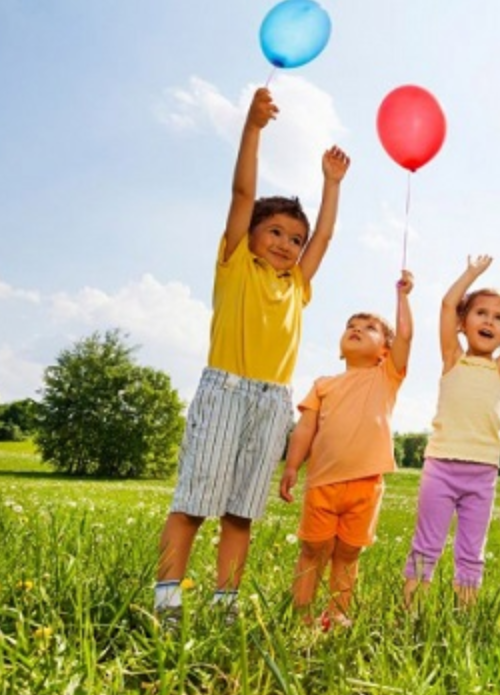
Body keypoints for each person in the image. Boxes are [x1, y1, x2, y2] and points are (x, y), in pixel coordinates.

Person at [154, 86, 351, 625]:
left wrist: (331, 184)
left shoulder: (297, 286)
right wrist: (253, 128)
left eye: (295, 239)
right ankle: (167, 602)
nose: (287, 244)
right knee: (193, 504)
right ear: (252, 235)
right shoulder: (236, 263)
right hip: (226, 390)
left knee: (240, 512)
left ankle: (225, 606)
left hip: (271, 403)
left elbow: (325, 236)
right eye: (276, 232)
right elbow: (242, 193)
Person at [402, 254, 500, 608]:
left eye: (498, 318)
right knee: (426, 545)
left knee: (471, 552)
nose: (488, 321)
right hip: (440, 466)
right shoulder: (452, 357)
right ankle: (410, 614)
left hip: (482, 473)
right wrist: (471, 273)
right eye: (480, 313)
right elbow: (447, 304)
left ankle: (464, 616)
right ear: (463, 323)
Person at [279, 271, 414, 630]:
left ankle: (337, 613)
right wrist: (292, 466)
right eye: (351, 326)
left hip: (366, 485)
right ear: (341, 348)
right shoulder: (323, 385)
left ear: (384, 351)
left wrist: (402, 297)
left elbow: (405, 336)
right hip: (322, 482)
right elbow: (304, 429)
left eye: (369, 328)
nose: (357, 329)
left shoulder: (386, 376)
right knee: (313, 549)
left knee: (348, 552)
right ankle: (302, 613)